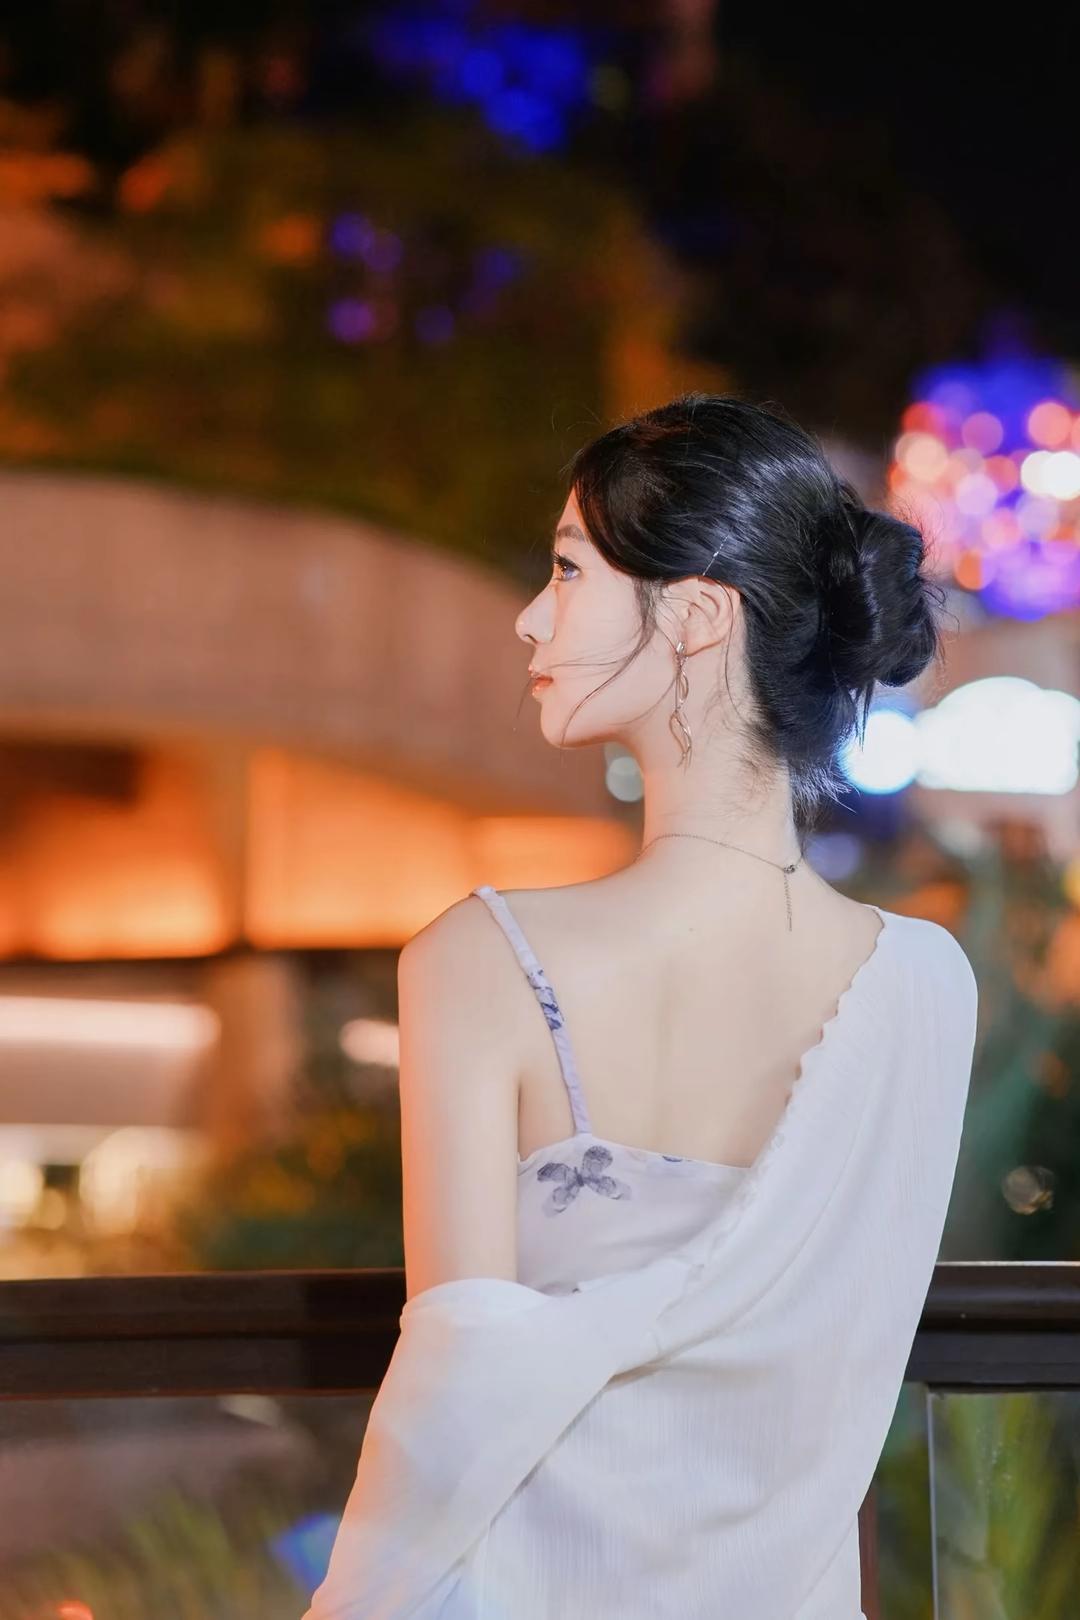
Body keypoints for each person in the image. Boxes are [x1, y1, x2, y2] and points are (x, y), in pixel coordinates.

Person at [302, 394, 979, 1618]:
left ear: (699, 616)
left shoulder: (480, 961)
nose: (531, 616)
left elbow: (453, 1403)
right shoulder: (926, 987)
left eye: (569, 570)